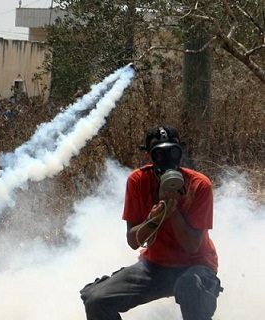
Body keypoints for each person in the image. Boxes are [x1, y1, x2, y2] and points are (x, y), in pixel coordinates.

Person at [80, 125, 222, 320]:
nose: (167, 160)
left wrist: (172, 212)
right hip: (154, 266)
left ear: (180, 152)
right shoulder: (138, 181)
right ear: (149, 157)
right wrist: (155, 217)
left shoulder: (199, 185)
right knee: (96, 300)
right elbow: (133, 241)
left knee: (190, 287)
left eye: (172, 152)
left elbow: (192, 246)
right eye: (159, 154)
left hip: (195, 264)